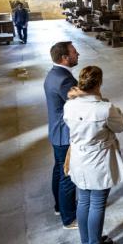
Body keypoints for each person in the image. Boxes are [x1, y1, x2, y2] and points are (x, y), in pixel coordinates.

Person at [63, 66, 123, 244]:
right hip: (98, 159)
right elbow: (121, 126)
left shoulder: (70, 105)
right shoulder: (104, 108)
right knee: (98, 203)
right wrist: (112, 107)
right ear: (99, 83)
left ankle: (86, 243)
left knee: (83, 201)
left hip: (79, 158)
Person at [43, 41, 79, 229]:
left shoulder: (54, 74)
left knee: (59, 170)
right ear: (64, 58)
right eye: (74, 52)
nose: (77, 54)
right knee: (68, 175)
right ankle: (69, 218)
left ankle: (59, 207)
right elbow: (79, 104)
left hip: (56, 132)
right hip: (65, 134)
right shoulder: (65, 80)